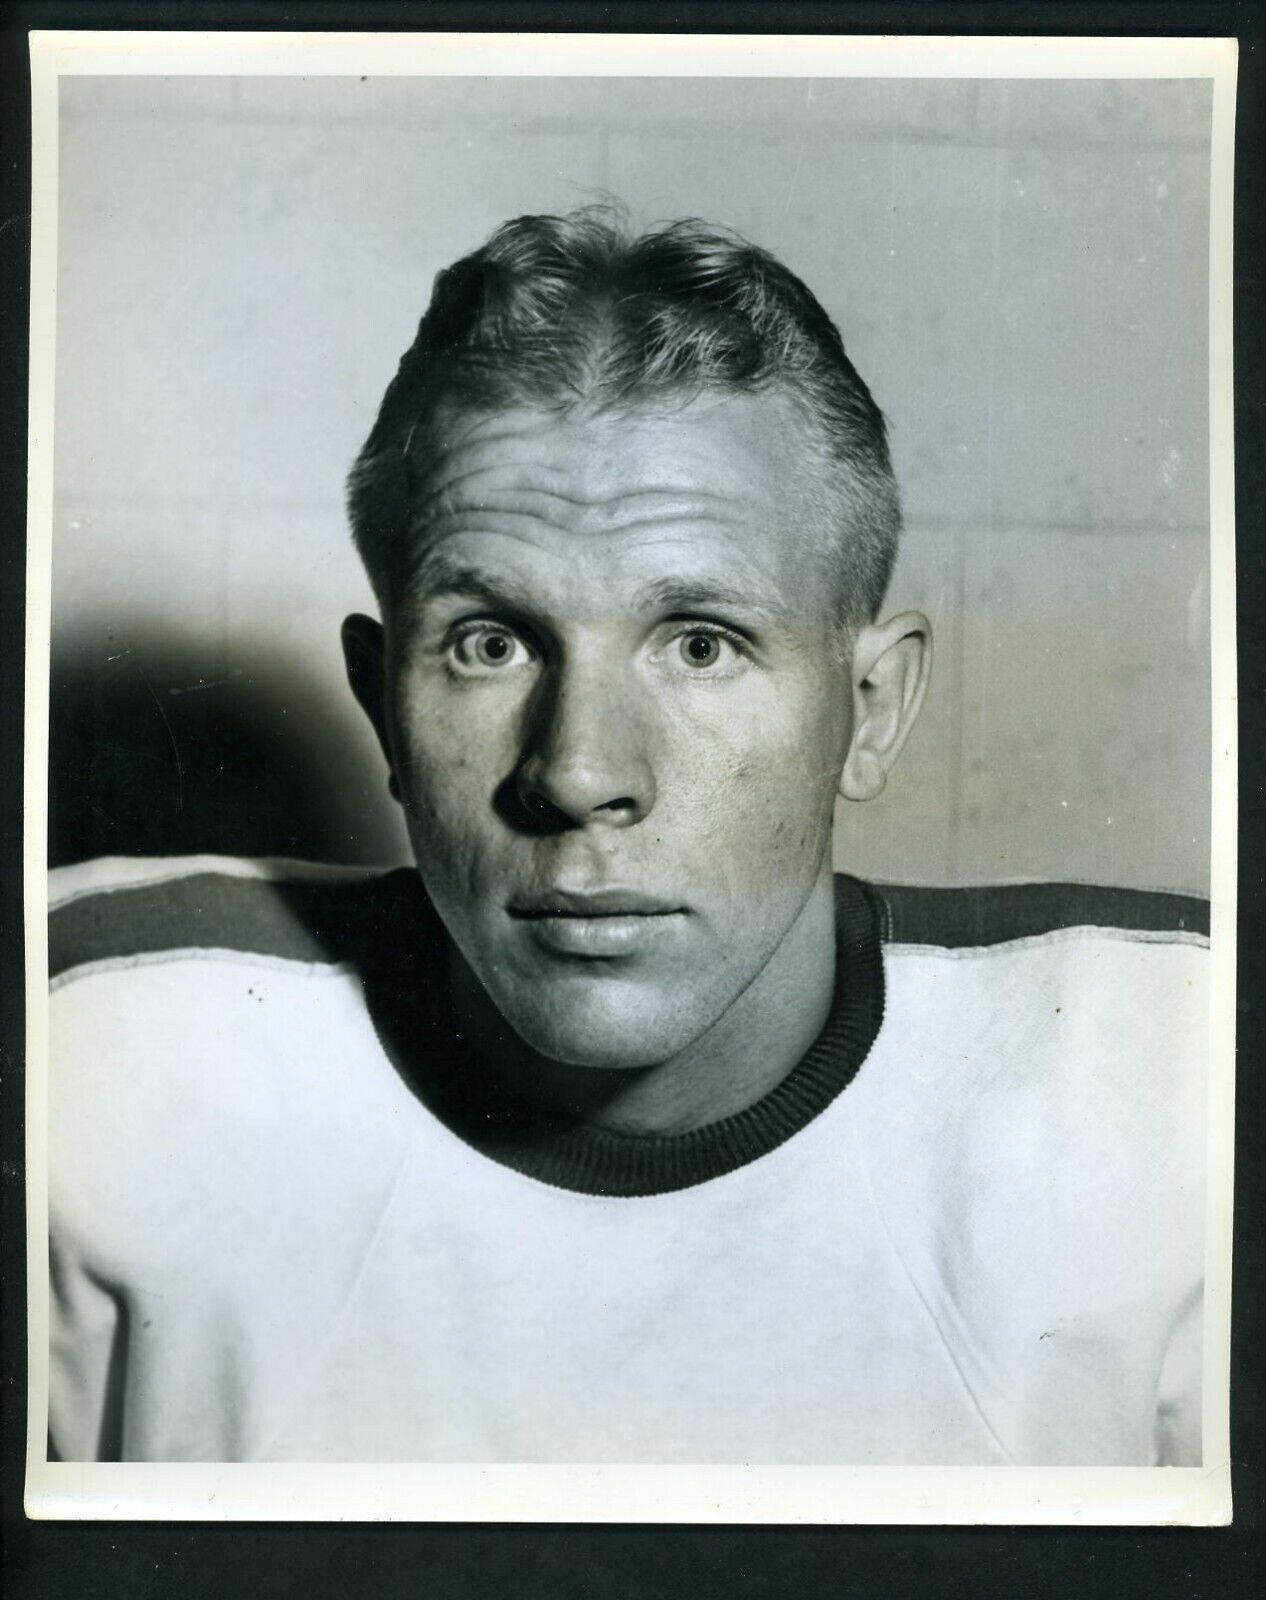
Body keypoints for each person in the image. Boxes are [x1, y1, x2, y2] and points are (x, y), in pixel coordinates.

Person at [47, 208, 1208, 1466]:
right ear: (385, 700)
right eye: (490, 643)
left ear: (867, 710)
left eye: (701, 643)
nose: (581, 771)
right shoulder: (88, 1038)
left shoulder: (1177, 1076)